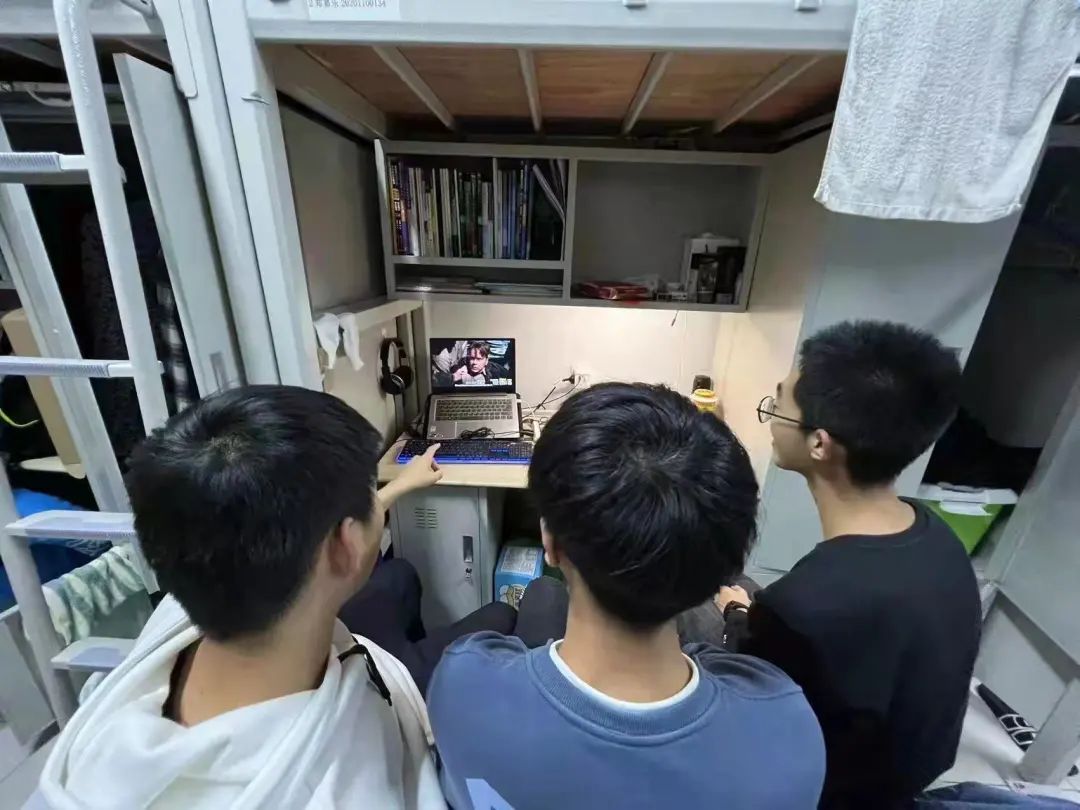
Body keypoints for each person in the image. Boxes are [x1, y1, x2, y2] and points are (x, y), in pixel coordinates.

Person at [38, 386, 457, 808]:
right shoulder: (346, 790)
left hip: (341, 647)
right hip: (378, 669)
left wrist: (399, 485)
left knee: (398, 577)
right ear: (345, 544)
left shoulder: (192, 592)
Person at [427, 383, 825, 810]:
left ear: (551, 542)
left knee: (542, 593)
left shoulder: (464, 685)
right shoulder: (787, 732)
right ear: (727, 559)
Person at [715, 320, 982, 808]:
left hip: (826, 793)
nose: (772, 417)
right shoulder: (940, 540)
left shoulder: (802, 605)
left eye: (778, 405)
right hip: (905, 777)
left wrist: (737, 616)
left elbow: (756, 714)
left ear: (819, 443)